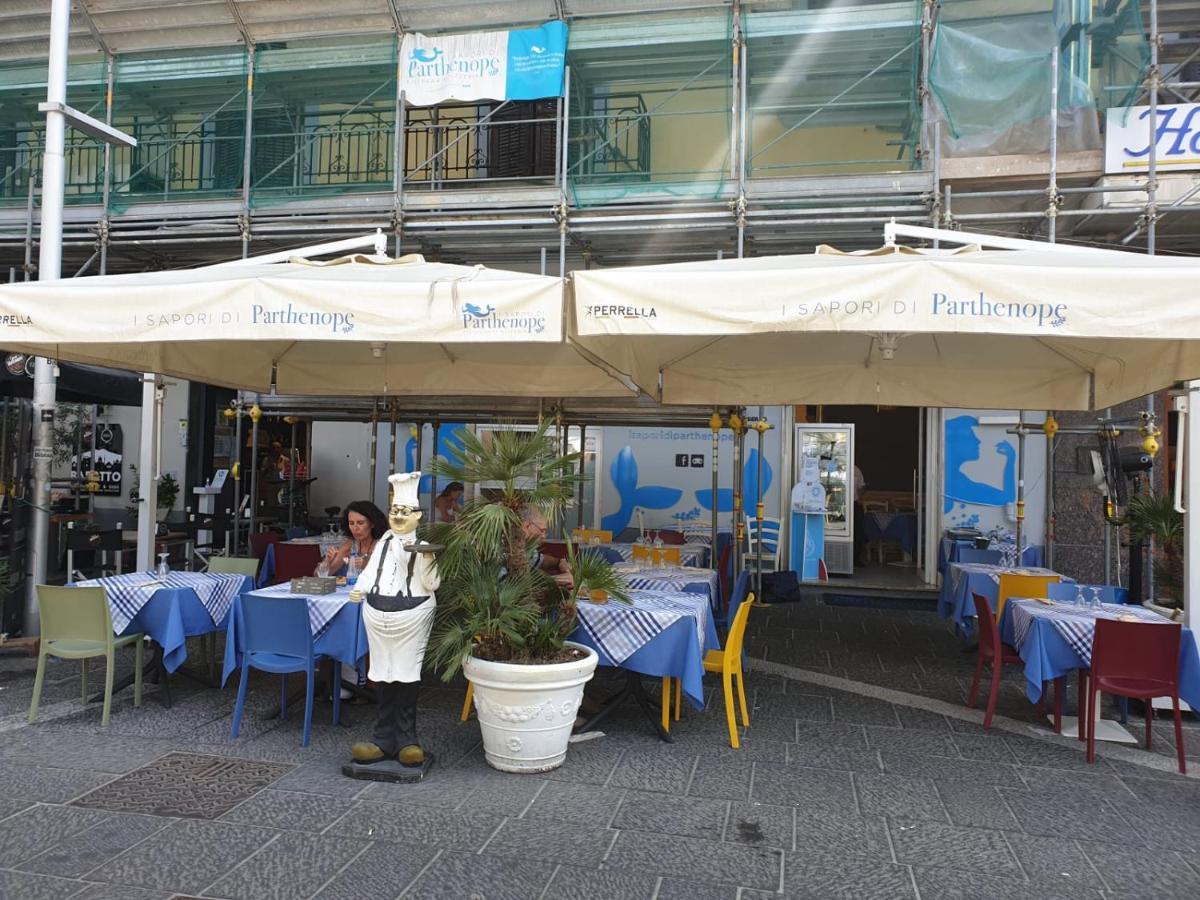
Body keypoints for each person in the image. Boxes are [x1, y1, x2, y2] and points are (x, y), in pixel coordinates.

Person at [316, 499, 388, 578]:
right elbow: (318, 576)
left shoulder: (383, 545)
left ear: (372, 524)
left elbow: (390, 578)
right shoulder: (350, 545)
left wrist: (368, 566)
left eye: (360, 523)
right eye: (351, 523)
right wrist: (327, 561)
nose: (355, 528)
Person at [522, 508, 574, 590]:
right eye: (542, 530)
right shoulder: (503, 548)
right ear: (526, 525)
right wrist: (553, 581)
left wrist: (560, 561)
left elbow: (542, 560)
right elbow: (510, 585)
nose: (543, 536)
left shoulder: (527, 550)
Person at [852, 464, 867, 566]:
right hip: (839, 503)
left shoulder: (856, 469)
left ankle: (855, 558)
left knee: (858, 531)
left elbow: (861, 488)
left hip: (854, 503)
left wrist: (863, 489)